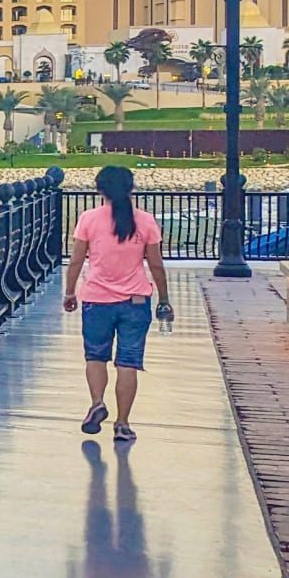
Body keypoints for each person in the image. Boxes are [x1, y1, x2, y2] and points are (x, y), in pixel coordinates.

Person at [62, 165, 171, 443]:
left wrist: (70, 292)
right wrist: (164, 299)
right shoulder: (145, 221)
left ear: (100, 190)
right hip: (135, 301)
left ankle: (97, 402)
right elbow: (156, 265)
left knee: (95, 356)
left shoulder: (89, 219)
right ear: (131, 189)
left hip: (97, 300)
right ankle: (122, 424)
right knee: (128, 362)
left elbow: (76, 260)